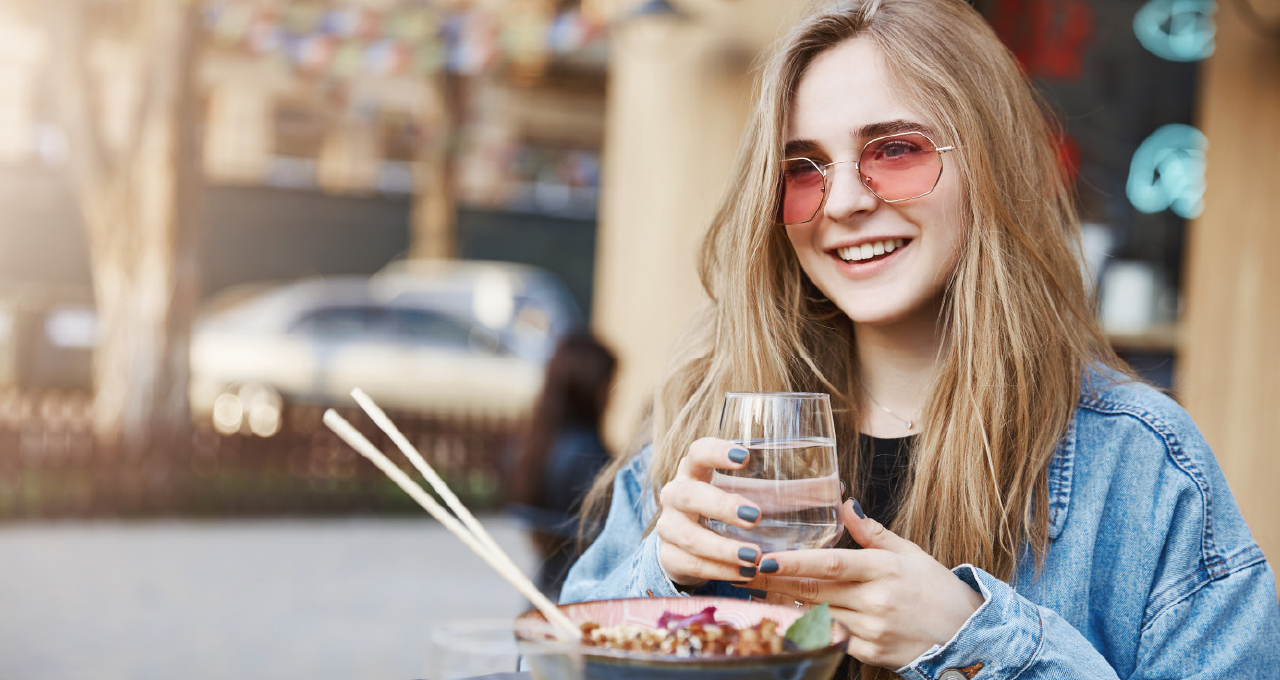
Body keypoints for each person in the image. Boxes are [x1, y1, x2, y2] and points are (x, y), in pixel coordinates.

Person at [560, 0, 1280, 678]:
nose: (841, 202)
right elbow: (551, 660)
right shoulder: (702, 425)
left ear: (989, 163)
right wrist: (660, 583)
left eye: (895, 150)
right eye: (802, 169)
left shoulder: (1138, 466)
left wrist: (973, 639)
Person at [509, 332, 617, 602]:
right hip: (583, 596)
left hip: (543, 588)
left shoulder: (535, 445)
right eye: (610, 386)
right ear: (590, 389)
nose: (612, 399)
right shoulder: (591, 457)